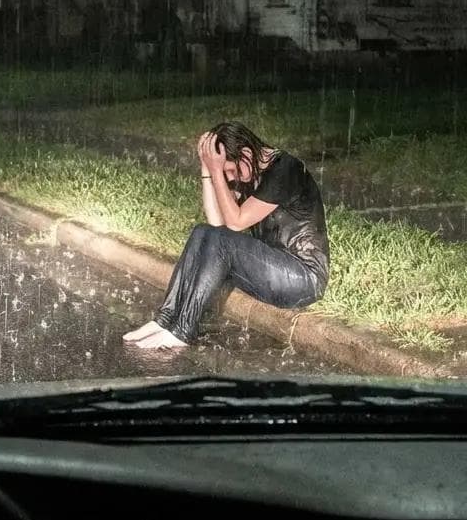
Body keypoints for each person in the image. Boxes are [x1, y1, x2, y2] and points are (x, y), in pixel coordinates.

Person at [124, 121, 330, 349]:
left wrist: (216, 171)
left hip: (303, 279)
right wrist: (206, 168)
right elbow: (216, 224)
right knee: (202, 231)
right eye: (224, 173)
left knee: (221, 240)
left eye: (230, 171)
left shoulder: (285, 169)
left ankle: (183, 331)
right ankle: (165, 319)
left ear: (246, 154)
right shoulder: (249, 169)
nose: (231, 178)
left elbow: (234, 223)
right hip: (272, 271)